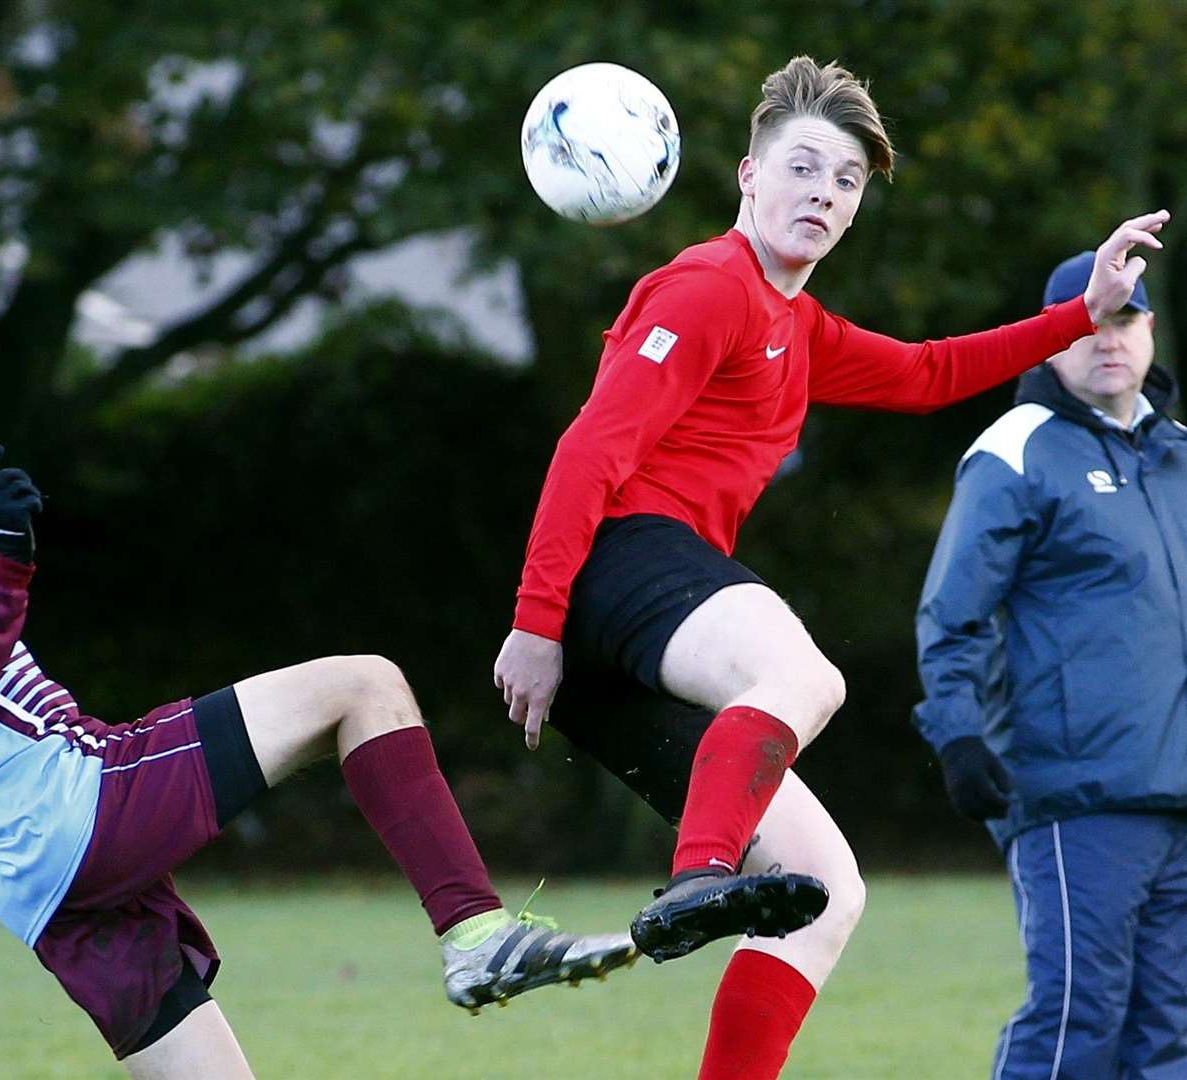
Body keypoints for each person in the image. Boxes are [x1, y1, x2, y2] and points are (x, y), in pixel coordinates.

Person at [492, 54, 1169, 1080]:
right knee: (808, 677)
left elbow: (933, 371)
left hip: (632, 644)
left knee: (823, 893)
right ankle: (700, 875)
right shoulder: (710, 283)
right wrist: (537, 621)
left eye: (846, 180)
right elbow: (590, 451)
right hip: (618, 569)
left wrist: (1083, 312)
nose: (824, 191)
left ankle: (712, 922)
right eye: (804, 167)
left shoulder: (796, 327)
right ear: (747, 179)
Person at [0, 341, 638, 1079]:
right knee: (364, 684)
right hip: (76, 805)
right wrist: (8, 565)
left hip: (35, 889)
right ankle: (476, 934)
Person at [915, 253, 1187, 1079]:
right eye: (1091, 320)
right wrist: (958, 735)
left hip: (1179, 793)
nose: (1110, 339)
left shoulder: (1177, 453)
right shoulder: (1015, 450)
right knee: (1077, 1016)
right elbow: (950, 614)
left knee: (1170, 1034)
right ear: (1052, 338)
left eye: (1126, 318)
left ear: (1149, 329)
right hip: (1074, 791)